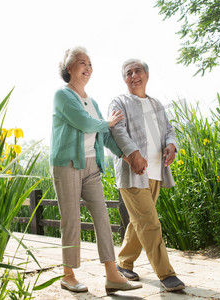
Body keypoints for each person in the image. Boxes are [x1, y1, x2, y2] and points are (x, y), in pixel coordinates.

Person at [50, 47, 142, 295]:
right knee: (71, 219)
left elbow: (103, 134)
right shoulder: (63, 96)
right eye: (82, 63)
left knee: (102, 217)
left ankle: (112, 275)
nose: (88, 68)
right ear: (70, 68)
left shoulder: (93, 102)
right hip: (66, 164)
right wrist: (108, 122)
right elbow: (84, 122)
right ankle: (68, 275)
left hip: (92, 165)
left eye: (90, 63)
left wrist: (127, 155)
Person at [108, 58, 186, 292]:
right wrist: (133, 154)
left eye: (137, 71)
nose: (134, 76)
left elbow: (169, 130)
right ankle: (167, 274)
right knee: (150, 223)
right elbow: (116, 130)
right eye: (128, 73)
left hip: (156, 172)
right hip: (133, 172)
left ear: (147, 74)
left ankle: (123, 263)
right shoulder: (119, 101)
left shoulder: (156, 104)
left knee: (138, 221)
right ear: (125, 79)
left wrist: (171, 146)